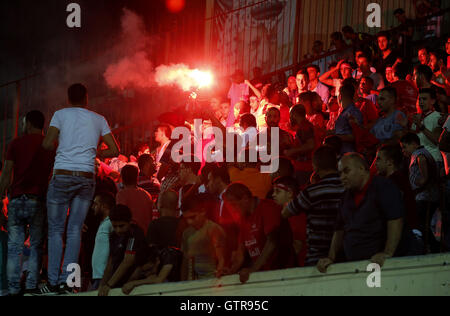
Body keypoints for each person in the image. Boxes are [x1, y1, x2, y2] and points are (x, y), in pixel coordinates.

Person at [41, 83, 119, 295]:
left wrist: (64, 146)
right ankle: (68, 282)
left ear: (68, 99)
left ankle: (53, 282)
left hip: (62, 175)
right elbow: (114, 149)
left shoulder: (60, 115)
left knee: (56, 230)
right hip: (86, 177)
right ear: (86, 98)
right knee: (75, 230)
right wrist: (94, 153)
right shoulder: (99, 119)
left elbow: (47, 144)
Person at [317, 153, 404, 273]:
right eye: (340, 173)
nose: (342, 177)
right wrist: (331, 257)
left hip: (381, 267)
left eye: (346, 171)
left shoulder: (383, 187)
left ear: (362, 169)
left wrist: (387, 252)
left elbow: (395, 219)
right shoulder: (345, 197)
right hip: (354, 267)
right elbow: (339, 230)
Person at [0, 111, 54, 296]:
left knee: (14, 247)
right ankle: (31, 286)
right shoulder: (49, 145)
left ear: (29, 123)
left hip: (16, 199)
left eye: (24, 122)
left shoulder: (15, 143)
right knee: (36, 245)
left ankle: (14, 288)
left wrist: (1, 196)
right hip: (37, 199)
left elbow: (6, 173)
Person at [282, 146, 345, 266]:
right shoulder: (347, 186)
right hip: (346, 251)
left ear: (315, 166)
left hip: (317, 255)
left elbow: (286, 212)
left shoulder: (311, 191)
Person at [224, 183, 289, 284]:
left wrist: (253, 269)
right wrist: (231, 270)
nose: (232, 210)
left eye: (234, 205)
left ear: (245, 198)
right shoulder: (243, 218)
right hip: (262, 274)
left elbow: (272, 242)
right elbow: (241, 250)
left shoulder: (268, 208)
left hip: (282, 273)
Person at [375, 144, 423, 255]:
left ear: (389, 162)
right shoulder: (398, 179)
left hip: (407, 239)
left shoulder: (394, 182)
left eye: (378, 159)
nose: (375, 163)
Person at [400, 133, 440, 253]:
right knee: (423, 224)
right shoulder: (420, 154)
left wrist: (420, 181)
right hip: (425, 196)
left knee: (422, 225)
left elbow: (424, 174)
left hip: (424, 197)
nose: (403, 151)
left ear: (413, 144)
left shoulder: (420, 155)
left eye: (404, 147)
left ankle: (432, 248)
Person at [98, 205, 148, 296]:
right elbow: (110, 263)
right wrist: (102, 285)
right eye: (115, 226)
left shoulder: (134, 233)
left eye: (121, 226)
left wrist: (109, 284)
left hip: (132, 286)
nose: (118, 230)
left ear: (129, 222)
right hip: (117, 284)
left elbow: (128, 261)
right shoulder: (113, 236)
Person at [180, 194, 226, 280]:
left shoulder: (213, 229)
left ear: (203, 211)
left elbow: (222, 260)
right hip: (192, 282)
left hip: (212, 281)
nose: (189, 222)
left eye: (193, 217)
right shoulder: (186, 233)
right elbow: (185, 262)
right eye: (186, 219)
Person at [272, 176, 307, 267]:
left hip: (300, 267)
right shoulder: (280, 215)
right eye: (273, 191)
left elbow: (297, 246)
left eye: (278, 191)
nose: (273, 195)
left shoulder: (297, 216)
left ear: (290, 193)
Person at [411, 88, 444, 167]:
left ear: (433, 101)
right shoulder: (417, 118)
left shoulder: (438, 117)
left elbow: (437, 140)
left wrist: (421, 126)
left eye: (424, 99)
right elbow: (411, 140)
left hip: (433, 160)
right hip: (417, 160)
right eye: (420, 99)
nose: (421, 102)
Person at [116, 164, 154, 234]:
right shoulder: (146, 195)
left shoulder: (121, 195)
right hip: (145, 235)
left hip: (131, 236)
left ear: (122, 178)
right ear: (137, 178)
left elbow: (120, 218)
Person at [285, 104, 316, 187]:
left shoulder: (304, 126)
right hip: (303, 167)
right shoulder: (303, 126)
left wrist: (292, 151)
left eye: (290, 114)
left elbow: (310, 145)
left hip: (305, 168)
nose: (290, 117)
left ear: (294, 114)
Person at [90, 193, 115, 291]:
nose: (93, 207)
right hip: (98, 275)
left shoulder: (110, 223)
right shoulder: (104, 223)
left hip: (103, 276)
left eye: (96, 204)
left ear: (104, 206)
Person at [334, 84, 364, 154]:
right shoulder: (345, 112)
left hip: (349, 154)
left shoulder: (352, 112)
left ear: (340, 96)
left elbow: (356, 135)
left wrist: (335, 137)